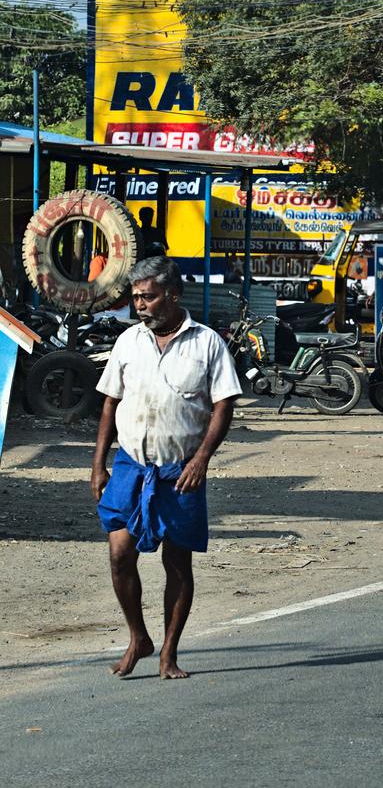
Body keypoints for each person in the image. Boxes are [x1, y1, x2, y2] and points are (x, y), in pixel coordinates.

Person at [91, 256, 242, 679]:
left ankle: (168, 654)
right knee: (120, 554)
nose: (140, 304)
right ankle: (138, 637)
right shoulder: (129, 342)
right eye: (136, 297)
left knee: (177, 563)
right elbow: (109, 403)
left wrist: (201, 459)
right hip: (130, 466)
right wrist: (98, 464)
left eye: (148, 296)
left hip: (180, 471)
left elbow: (224, 404)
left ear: (172, 295)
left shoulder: (207, 343)